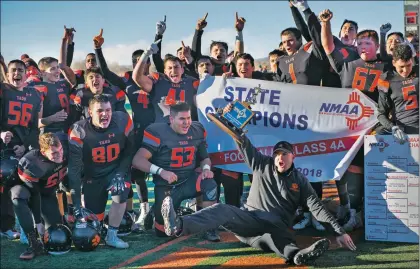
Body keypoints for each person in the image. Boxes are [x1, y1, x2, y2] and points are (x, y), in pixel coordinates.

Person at [160, 104, 357, 266]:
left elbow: (317, 208)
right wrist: (230, 117)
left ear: (293, 157)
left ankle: (297, 256)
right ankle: (178, 225)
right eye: (277, 154)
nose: (280, 158)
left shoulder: (300, 181)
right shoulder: (262, 164)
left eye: (285, 154)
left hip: (273, 229)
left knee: (275, 238)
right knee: (221, 209)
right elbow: (242, 141)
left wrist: (338, 232)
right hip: (249, 221)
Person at [320, 9, 390, 231]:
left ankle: (366, 211)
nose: (362, 47)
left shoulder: (385, 67)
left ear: (377, 46)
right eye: (360, 43)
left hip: (374, 127)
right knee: (345, 168)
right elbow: (328, 46)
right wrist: (326, 24)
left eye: (368, 43)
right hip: (348, 125)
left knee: (369, 170)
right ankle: (349, 209)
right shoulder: (348, 64)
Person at [131, 102, 219, 241]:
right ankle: (156, 210)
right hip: (168, 186)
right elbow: (137, 160)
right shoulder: (158, 132)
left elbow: (204, 158)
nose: (187, 123)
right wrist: (161, 171)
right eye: (182, 119)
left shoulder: (197, 130)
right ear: (171, 119)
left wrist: (206, 169)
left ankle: (209, 228)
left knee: (209, 183)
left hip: (189, 181)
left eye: (188, 118)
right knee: (163, 232)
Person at [94, 29, 153, 229]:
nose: (141, 63)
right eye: (137, 60)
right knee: (136, 173)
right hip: (138, 132)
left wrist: (157, 37)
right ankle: (143, 209)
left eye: (144, 60)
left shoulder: (158, 79)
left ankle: (169, 209)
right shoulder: (127, 81)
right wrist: (98, 49)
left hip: (160, 131)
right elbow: (106, 72)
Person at [68, 94, 135, 248]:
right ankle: (100, 228)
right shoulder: (79, 130)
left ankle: (112, 235)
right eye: (99, 111)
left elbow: (129, 151)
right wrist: (77, 204)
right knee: (94, 220)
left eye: (108, 110)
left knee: (121, 193)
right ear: (90, 112)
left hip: (115, 170)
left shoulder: (123, 121)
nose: (105, 114)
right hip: (93, 176)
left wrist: (121, 173)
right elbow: (74, 169)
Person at [11, 133, 67, 260]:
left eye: (60, 150)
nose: (59, 154)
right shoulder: (32, 163)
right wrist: (38, 222)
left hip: (47, 193)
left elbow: (72, 176)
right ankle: (32, 242)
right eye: (54, 153)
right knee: (18, 195)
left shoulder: (66, 147)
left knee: (54, 234)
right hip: (28, 191)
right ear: (43, 151)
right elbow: (35, 193)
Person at [132, 41, 199, 123]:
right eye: (170, 68)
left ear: (182, 69)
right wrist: (145, 55)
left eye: (176, 67)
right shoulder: (158, 81)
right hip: (163, 130)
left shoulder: (191, 82)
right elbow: (137, 78)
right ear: (165, 71)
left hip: (186, 129)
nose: (173, 70)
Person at [378, 43, 419, 143]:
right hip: (404, 130)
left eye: (408, 65)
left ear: (412, 61)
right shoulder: (385, 79)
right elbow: (381, 114)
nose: (405, 70)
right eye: (401, 66)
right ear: (393, 63)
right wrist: (393, 128)